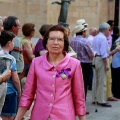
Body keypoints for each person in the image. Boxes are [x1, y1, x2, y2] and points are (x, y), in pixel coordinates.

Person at [15, 25, 86, 120]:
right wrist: (17, 118)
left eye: (60, 39)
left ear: (65, 43)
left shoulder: (74, 64)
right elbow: (27, 95)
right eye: (52, 39)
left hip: (64, 115)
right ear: (46, 42)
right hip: (39, 115)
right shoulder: (36, 63)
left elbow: (79, 97)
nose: (55, 43)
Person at [0, 30, 21, 120]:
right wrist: (20, 91)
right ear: (9, 43)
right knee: (8, 117)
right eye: (13, 42)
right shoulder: (10, 58)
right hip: (9, 91)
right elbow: (15, 79)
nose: (14, 44)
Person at [70, 24, 94, 98]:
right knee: (84, 83)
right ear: (83, 32)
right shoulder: (85, 41)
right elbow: (91, 54)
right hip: (85, 64)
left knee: (75, 82)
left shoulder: (71, 40)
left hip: (73, 63)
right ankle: (82, 101)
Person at [92, 23, 112, 107]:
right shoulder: (103, 38)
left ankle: (95, 98)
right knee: (102, 80)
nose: (109, 32)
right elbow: (104, 53)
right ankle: (101, 100)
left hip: (95, 59)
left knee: (95, 80)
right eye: (108, 30)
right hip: (101, 59)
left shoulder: (96, 37)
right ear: (105, 30)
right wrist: (106, 64)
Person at [111, 27, 120, 99]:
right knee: (117, 80)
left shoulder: (117, 40)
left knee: (116, 79)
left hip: (115, 62)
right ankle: (117, 94)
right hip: (118, 62)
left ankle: (115, 93)